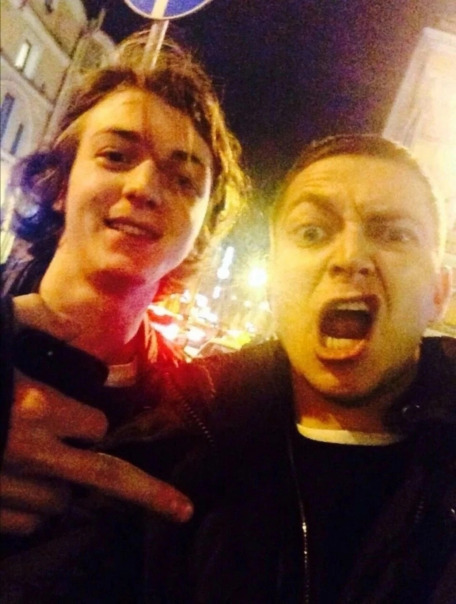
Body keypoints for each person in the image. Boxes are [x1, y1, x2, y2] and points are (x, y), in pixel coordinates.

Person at [3, 133, 455, 602]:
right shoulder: (173, 447)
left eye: (395, 234)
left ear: (440, 291)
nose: (350, 258)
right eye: (312, 232)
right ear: (274, 281)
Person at [0, 27, 246, 600]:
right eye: (115, 155)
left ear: (202, 227)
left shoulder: (194, 420)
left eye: (183, 179)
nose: (144, 188)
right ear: (60, 183)